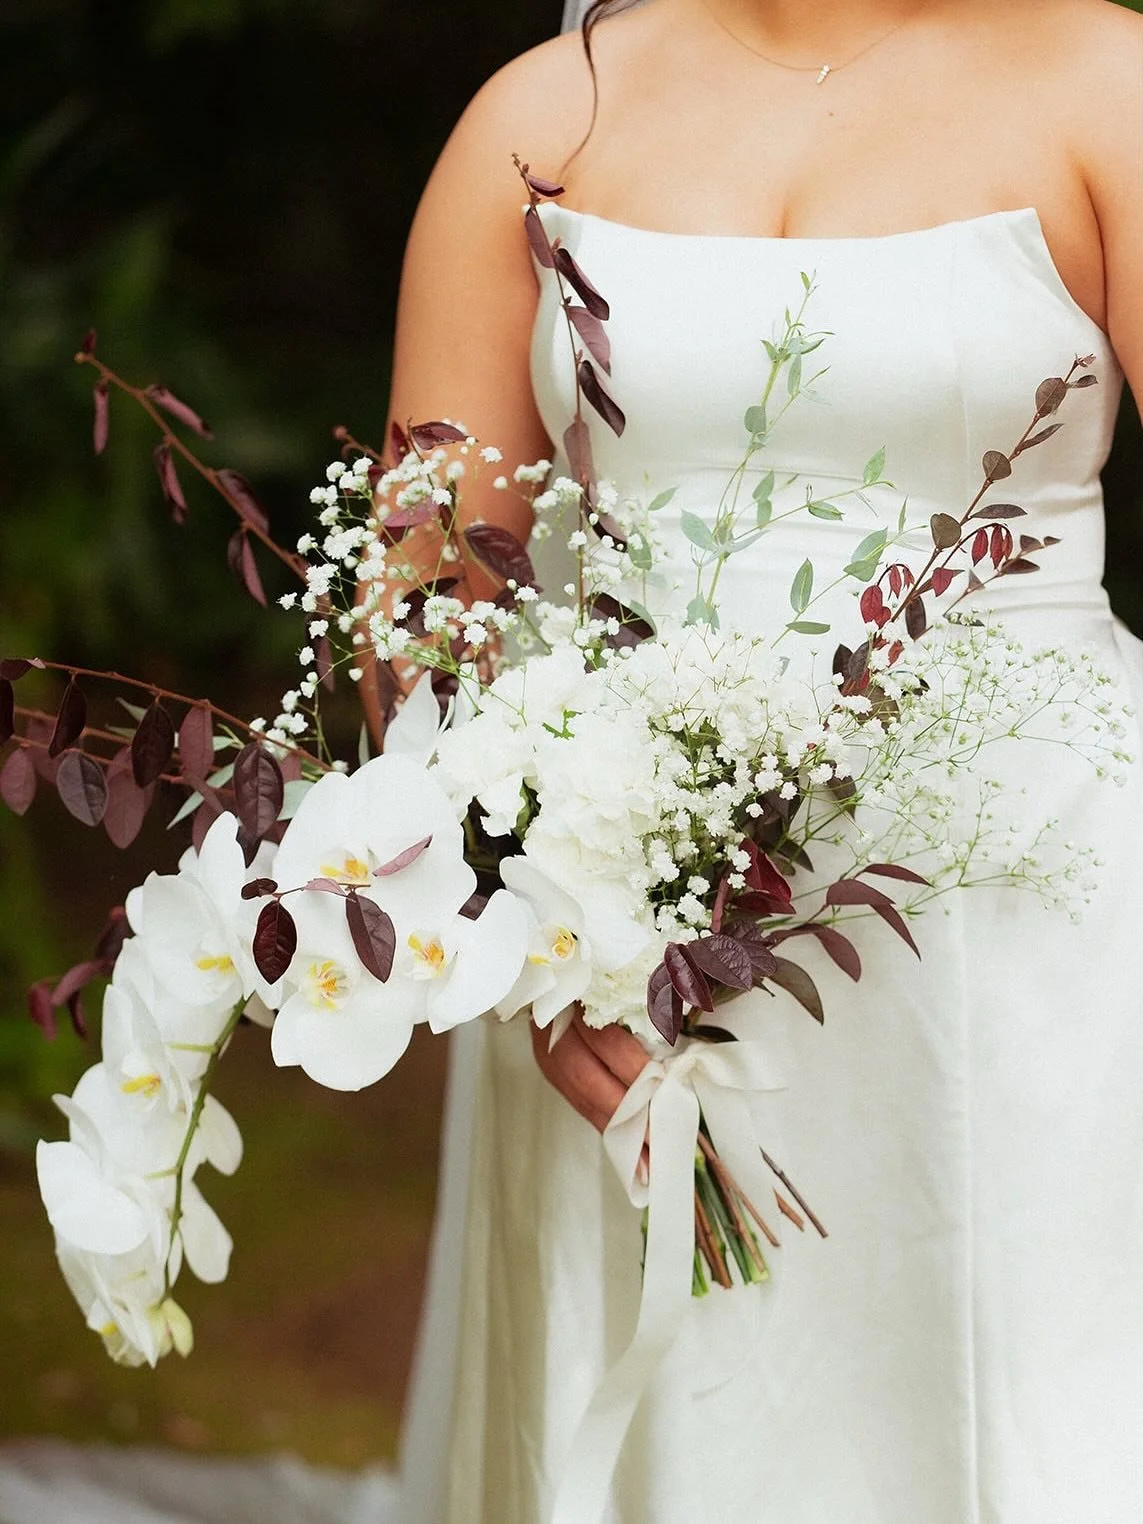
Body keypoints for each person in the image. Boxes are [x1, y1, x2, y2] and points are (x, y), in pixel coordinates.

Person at [390, 1, 1143, 1521]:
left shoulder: (1103, 81)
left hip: (1030, 904)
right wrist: (529, 916)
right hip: (635, 952)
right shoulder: (542, 115)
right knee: (695, 1425)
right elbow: (424, 602)